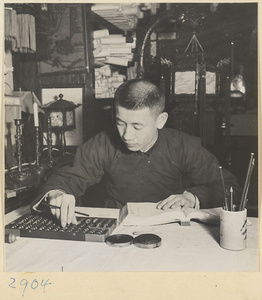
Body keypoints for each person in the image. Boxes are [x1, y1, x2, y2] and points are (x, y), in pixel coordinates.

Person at [33, 79, 241, 227]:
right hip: (118, 228)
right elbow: (68, 177)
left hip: (173, 231)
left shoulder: (183, 146)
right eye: (120, 123)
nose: (126, 135)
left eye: (137, 126)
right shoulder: (104, 143)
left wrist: (193, 198)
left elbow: (231, 187)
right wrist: (57, 194)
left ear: (161, 120)